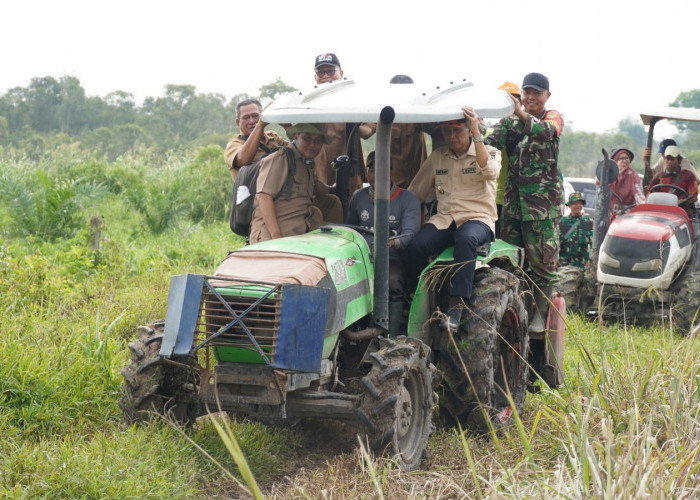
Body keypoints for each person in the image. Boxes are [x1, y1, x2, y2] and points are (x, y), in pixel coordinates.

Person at [405, 107, 501, 330]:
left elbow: (489, 172)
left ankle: (457, 305)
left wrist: (477, 133)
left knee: (466, 239)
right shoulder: (439, 157)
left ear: (469, 130)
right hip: (445, 219)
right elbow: (416, 191)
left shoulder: (490, 152)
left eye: (457, 131)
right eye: (446, 132)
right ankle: (418, 297)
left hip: (478, 218)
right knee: (415, 246)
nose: (451, 137)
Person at [485, 72, 564, 333]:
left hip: (541, 208)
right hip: (513, 206)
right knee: (512, 261)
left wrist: (519, 112)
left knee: (542, 264)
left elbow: (548, 131)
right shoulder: (509, 122)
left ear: (546, 96)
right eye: (527, 92)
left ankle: (540, 314)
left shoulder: (552, 117)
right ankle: (515, 309)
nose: (530, 97)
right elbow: (489, 142)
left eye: (536, 93)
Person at [346, 151, 421, 332]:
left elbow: (410, 234)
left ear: (391, 172)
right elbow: (350, 229)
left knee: (393, 282)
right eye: (371, 170)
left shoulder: (407, 199)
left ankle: (391, 337)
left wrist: (391, 243)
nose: (375, 175)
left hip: (391, 257)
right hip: (362, 257)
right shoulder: (358, 197)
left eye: (382, 170)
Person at [249, 123, 340, 243]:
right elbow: (264, 197)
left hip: (299, 233)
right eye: (307, 138)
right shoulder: (281, 158)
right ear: (295, 137)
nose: (312, 145)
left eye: (318, 141)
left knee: (341, 234)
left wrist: (334, 188)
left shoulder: (306, 164)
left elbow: (315, 186)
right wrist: (277, 238)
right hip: (273, 237)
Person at [311, 54, 371, 205]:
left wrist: (349, 121)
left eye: (331, 71)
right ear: (315, 77)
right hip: (318, 176)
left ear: (341, 73)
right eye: (321, 73)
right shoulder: (308, 103)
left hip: (349, 174)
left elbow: (368, 131)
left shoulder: (355, 101)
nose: (326, 77)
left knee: (349, 216)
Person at [363, 75, 428, 189]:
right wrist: (352, 121)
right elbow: (366, 132)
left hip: (419, 181)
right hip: (391, 184)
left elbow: (436, 129)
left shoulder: (420, 112)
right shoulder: (382, 112)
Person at [224, 99, 285, 182]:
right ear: (238, 122)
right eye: (246, 118)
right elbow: (243, 160)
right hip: (254, 194)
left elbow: (297, 152)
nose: (252, 121)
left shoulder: (273, 137)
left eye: (255, 116)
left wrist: (286, 124)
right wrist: (260, 125)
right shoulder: (234, 144)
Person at [492, 81, 522, 238]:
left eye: (513, 101)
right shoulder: (493, 130)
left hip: (521, 202)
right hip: (497, 199)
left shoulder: (528, 128)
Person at [647, 145, 698, 218]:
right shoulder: (659, 176)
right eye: (668, 159)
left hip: (682, 213)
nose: (669, 162)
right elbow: (649, 192)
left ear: (679, 160)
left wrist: (680, 202)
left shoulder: (688, 176)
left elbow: (693, 196)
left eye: (672, 159)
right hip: (661, 212)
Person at [607, 147, 645, 220]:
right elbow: (598, 182)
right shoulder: (609, 173)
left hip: (626, 214)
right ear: (615, 161)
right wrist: (615, 175)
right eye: (621, 158)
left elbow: (638, 194)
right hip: (608, 212)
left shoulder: (633, 175)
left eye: (626, 158)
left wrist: (645, 205)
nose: (624, 161)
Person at [559, 192, 593, 269]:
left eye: (580, 203)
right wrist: (554, 258)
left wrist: (590, 260)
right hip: (564, 262)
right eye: (575, 203)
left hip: (582, 263)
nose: (578, 206)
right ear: (569, 205)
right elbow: (556, 242)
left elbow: (592, 243)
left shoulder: (588, 222)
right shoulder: (562, 222)